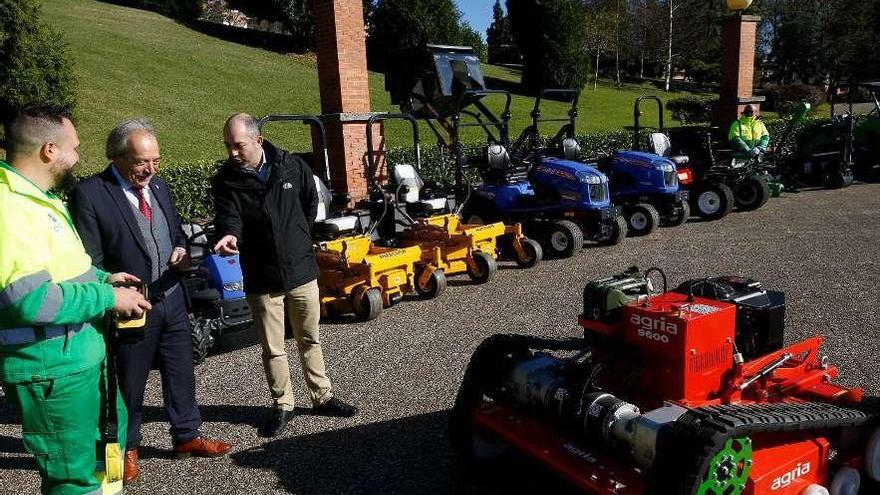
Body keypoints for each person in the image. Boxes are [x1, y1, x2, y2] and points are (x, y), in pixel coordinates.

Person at [68, 119, 231, 484]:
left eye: (156, 161)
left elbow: (175, 231)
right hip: (132, 305)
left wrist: (180, 249)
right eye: (143, 162)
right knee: (129, 380)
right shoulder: (92, 193)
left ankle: (186, 436)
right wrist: (109, 285)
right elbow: (88, 260)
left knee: (181, 370)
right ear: (118, 156)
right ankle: (126, 448)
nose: (151, 170)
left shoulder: (158, 185)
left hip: (172, 295)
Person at [0, 104, 151, 495]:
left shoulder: (41, 200)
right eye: (74, 147)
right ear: (50, 149)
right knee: (75, 479)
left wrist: (105, 278)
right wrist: (107, 295)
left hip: (84, 362)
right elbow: (30, 300)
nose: (78, 156)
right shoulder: (10, 207)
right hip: (54, 374)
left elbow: (64, 270)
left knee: (107, 463)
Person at [212, 113, 357, 437]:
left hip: (301, 271)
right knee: (274, 349)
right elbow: (228, 216)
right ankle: (283, 405)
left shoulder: (291, 166)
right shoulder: (225, 180)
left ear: (258, 141)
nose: (232, 153)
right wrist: (230, 235)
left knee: (310, 339)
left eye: (238, 146)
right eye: (228, 146)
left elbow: (310, 203)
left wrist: (298, 238)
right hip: (262, 279)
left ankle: (323, 397)